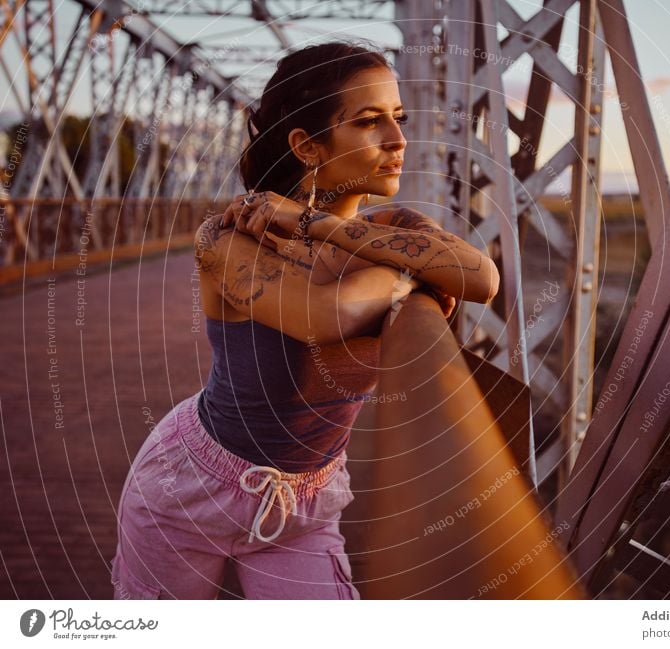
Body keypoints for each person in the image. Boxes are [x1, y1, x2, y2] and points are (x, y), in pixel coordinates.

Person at [111, 40, 499, 600]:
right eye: (369, 122)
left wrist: (324, 226)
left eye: (399, 118)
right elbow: (325, 315)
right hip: (189, 486)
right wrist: (405, 277)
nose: (397, 139)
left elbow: (481, 277)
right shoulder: (230, 238)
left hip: (307, 500)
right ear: (307, 145)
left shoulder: (390, 223)